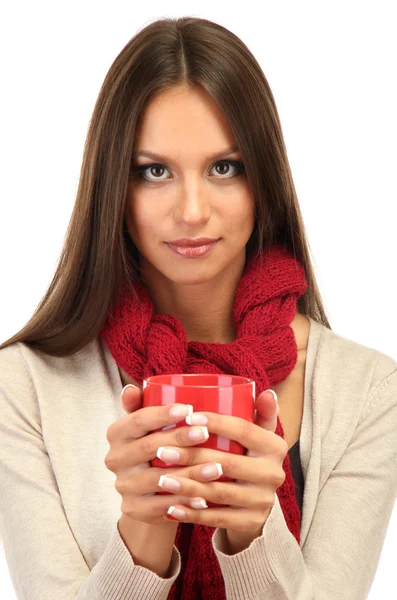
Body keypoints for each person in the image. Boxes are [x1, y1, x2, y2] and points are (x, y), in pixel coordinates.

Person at [0, 15, 396, 600]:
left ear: (263, 179)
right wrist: (145, 524)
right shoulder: (23, 386)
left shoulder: (365, 390)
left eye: (224, 167)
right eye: (154, 171)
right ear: (114, 186)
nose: (191, 211)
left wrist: (254, 533)